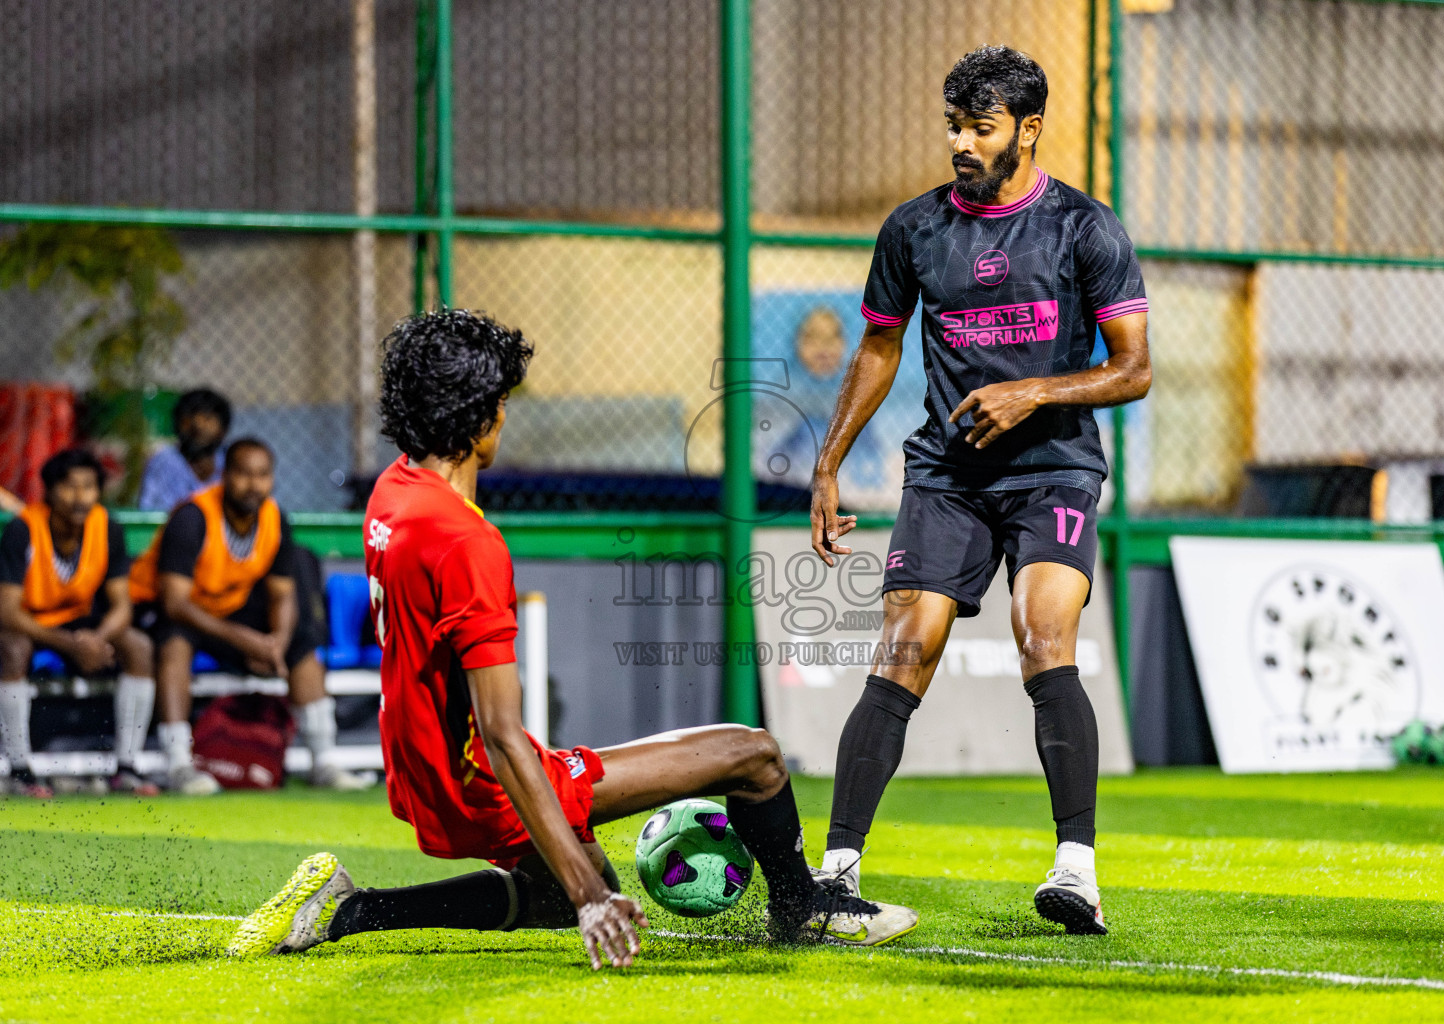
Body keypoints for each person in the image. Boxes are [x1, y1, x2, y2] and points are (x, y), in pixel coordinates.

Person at [226, 310, 918, 965]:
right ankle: (803, 908)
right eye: (501, 401)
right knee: (756, 756)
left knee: (555, 888)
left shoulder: (395, 490)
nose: (505, 414)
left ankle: (344, 911)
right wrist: (595, 901)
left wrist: (578, 884)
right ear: (477, 417)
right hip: (479, 774)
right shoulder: (466, 542)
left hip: (420, 764)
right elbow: (500, 734)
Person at [808, 46, 1152, 936]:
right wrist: (828, 462)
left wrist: (1034, 389)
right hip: (948, 473)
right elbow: (880, 348)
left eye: (981, 127)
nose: (962, 142)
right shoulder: (914, 229)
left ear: (1029, 130)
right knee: (903, 648)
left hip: (1055, 469)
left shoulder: (1085, 228)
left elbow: (1134, 370)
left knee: (1043, 635)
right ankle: (834, 873)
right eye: (954, 125)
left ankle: (1076, 872)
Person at [128, 439, 370, 795]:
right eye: (243, 474)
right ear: (225, 475)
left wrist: (277, 643)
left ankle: (323, 760)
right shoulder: (192, 517)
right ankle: (178, 763)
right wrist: (245, 640)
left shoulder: (274, 517)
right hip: (176, 611)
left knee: (302, 639)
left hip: (229, 611)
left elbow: (283, 593)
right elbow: (174, 603)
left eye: (262, 475)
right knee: (174, 639)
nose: (252, 484)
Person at [0, 449, 159, 797]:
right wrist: (70, 645)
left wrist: (97, 640)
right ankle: (19, 769)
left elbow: (122, 606)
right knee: (12, 648)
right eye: (69, 487)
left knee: (139, 646)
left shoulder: (108, 528)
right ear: (49, 492)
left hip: (81, 623)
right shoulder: (22, 529)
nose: (79, 497)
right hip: (31, 622)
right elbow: (8, 610)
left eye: (89, 487)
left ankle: (127, 768)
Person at [138, 388, 231, 511]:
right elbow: (148, 512)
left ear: (222, 429)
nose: (199, 426)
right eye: (190, 418)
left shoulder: (230, 462)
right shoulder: (163, 462)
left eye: (208, 418)